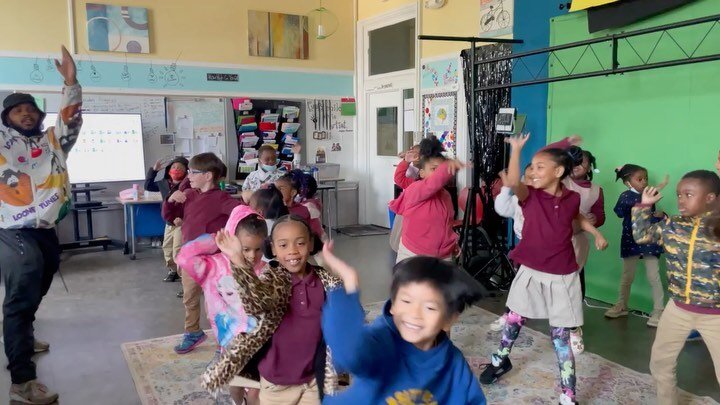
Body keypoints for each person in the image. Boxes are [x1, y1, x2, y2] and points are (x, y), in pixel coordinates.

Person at [479, 134, 608, 405]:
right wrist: (515, 150)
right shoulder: (530, 197)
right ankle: (501, 360)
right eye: (532, 167)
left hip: (562, 276)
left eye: (539, 167)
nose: (533, 172)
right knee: (514, 321)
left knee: (560, 336)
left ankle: (568, 395)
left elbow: (578, 217)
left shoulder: (572, 198)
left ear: (558, 172)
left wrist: (595, 233)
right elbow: (513, 182)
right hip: (531, 272)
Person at [0, 45, 81, 404]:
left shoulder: (53, 142)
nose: (26, 114)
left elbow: (70, 117)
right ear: (6, 117)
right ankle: (22, 380)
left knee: (42, 278)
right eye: (18, 110)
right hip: (11, 228)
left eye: (31, 109)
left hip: (46, 227)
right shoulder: (1, 142)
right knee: (21, 292)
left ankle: (25, 334)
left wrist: (71, 82)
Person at [320, 244, 486, 404]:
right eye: (406, 301)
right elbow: (348, 354)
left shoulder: (453, 362)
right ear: (392, 304)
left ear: (449, 320)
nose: (414, 314)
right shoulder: (381, 340)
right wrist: (349, 285)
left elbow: (472, 400)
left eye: (429, 307)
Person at [202, 215, 342, 404]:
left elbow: (348, 312)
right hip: (276, 384)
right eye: (283, 245)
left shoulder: (324, 279)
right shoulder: (273, 278)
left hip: (313, 380)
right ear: (273, 249)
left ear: (310, 244)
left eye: (300, 243)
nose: (292, 251)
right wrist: (238, 260)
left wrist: (335, 266)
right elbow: (255, 302)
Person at [634, 170, 720, 405]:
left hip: (716, 316)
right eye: (678, 194)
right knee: (660, 362)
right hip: (678, 309)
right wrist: (644, 206)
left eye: (688, 194)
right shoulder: (673, 225)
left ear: (710, 197)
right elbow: (642, 237)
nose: (681, 200)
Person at [175, 205, 266, 405]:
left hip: (261, 342)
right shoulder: (214, 266)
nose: (252, 256)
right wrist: (215, 240)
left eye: (258, 249)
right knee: (236, 384)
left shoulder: (265, 269)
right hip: (231, 343)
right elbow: (184, 256)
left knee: (256, 391)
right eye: (246, 249)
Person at [162, 152, 240, 354]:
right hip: (190, 258)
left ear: (208, 176)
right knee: (190, 297)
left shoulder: (221, 198)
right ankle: (193, 332)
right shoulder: (188, 194)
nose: (188, 176)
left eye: (193, 172)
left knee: (218, 301)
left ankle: (226, 338)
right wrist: (170, 200)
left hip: (214, 261)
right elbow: (169, 216)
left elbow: (242, 213)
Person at [604, 164, 667, 327]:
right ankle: (622, 305)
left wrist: (658, 215)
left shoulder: (649, 194)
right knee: (627, 275)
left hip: (648, 238)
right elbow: (619, 212)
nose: (644, 181)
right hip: (630, 238)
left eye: (645, 178)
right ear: (628, 183)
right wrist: (635, 206)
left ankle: (659, 310)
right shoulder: (625, 196)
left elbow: (650, 215)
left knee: (654, 275)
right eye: (640, 179)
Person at [389, 136, 466, 263]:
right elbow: (431, 183)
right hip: (414, 256)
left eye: (441, 169)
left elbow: (446, 223)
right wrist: (448, 167)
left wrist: (451, 243)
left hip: (442, 256)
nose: (439, 173)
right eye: (434, 169)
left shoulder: (445, 195)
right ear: (422, 173)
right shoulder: (415, 188)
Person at [488, 166, 532, 332]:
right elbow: (502, 208)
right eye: (526, 178)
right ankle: (509, 314)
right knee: (519, 285)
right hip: (524, 249)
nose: (530, 182)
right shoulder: (517, 200)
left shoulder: (545, 201)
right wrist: (506, 188)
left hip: (546, 252)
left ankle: (569, 328)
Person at [145, 156, 190, 282]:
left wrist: (184, 219)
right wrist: (154, 170)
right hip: (169, 222)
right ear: (169, 169)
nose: (176, 170)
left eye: (180, 168)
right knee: (167, 249)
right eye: (174, 167)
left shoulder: (188, 186)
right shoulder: (164, 183)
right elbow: (148, 186)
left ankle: (184, 279)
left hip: (181, 223)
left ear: (186, 171)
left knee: (177, 251)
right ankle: (173, 270)